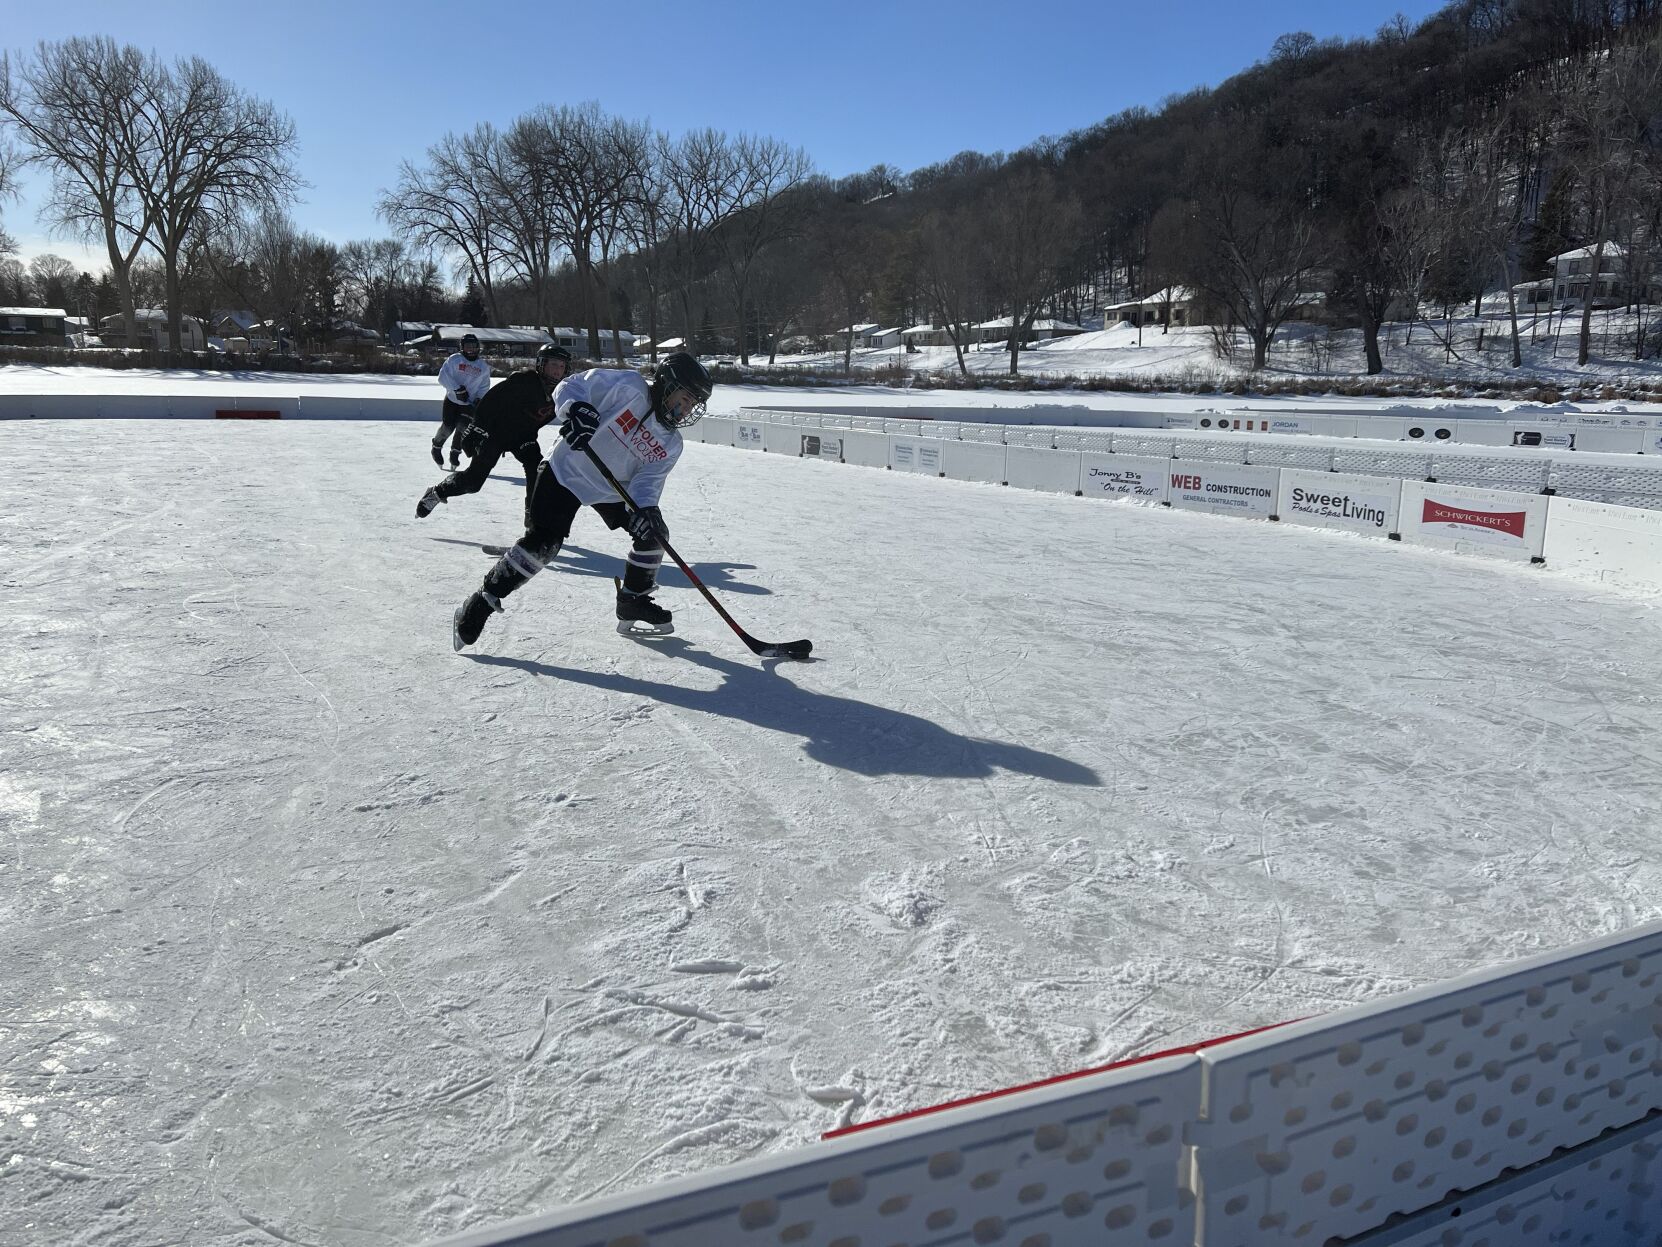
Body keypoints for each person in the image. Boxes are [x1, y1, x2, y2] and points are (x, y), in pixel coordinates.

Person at [450, 351, 714, 650]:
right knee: (543, 544)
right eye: (683, 398)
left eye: (692, 404)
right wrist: (577, 410)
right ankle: (479, 604)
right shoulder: (628, 386)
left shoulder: (670, 442)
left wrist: (646, 509)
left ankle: (633, 600)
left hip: (610, 490)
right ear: (667, 384)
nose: (684, 409)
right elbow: (570, 387)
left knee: (653, 533)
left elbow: (647, 482)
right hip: (566, 471)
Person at [416, 343, 573, 524]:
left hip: (524, 438)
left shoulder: (562, 392)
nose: (557, 371)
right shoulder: (524, 381)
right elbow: (490, 400)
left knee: (536, 468)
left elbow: (570, 411)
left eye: (561, 366)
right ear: (541, 364)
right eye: (553, 364)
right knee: (473, 483)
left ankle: (532, 519)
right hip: (495, 435)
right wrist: (477, 428)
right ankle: (437, 492)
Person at [431, 332, 493, 468]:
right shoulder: (455, 360)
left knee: (462, 429)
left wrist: (479, 399)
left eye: (473, 346)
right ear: (462, 347)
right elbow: (443, 377)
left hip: (468, 405)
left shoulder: (483, 367)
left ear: (478, 348)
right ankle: (436, 446)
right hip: (452, 401)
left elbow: (484, 386)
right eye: (467, 346)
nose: (470, 349)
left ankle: (455, 453)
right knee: (447, 427)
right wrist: (457, 389)